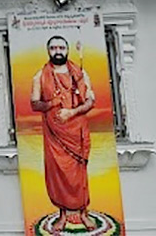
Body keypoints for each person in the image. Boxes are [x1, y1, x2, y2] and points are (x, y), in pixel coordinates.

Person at [30, 36, 97, 233]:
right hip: (54, 135)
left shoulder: (81, 74)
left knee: (79, 174)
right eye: (53, 48)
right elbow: (35, 104)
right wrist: (52, 103)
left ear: (67, 50)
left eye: (61, 47)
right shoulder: (39, 76)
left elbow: (90, 102)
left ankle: (84, 212)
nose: (57, 51)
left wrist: (71, 112)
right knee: (58, 174)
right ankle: (62, 214)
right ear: (48, 50)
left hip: (77, 133)